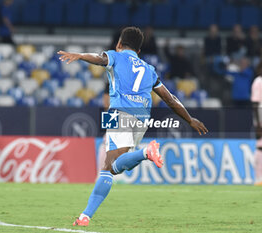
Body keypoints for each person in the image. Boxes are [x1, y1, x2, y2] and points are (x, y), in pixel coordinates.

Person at [58, 27, 208, 226]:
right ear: (138, 51)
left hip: (118, 112)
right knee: (111, 167)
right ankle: (85, 217)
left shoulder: (116, 56)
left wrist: (80, 56)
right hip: (142, 118)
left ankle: (146, 152)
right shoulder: (149, 69)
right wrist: (190, 119)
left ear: (119, 44)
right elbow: (170, 98)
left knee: (110, 165)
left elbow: (100, 58)